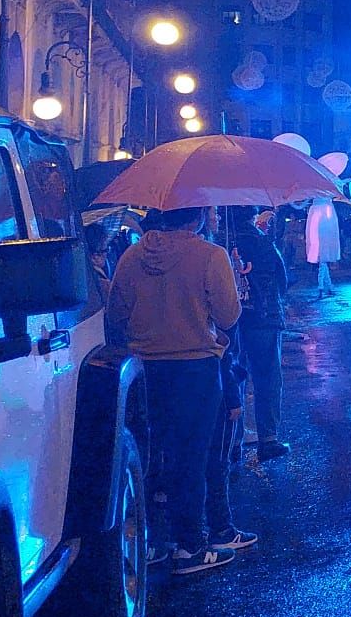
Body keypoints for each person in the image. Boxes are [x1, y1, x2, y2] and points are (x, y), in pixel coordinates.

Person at [107, 207, 253, 576]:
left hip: (143, 370)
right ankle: (190, 546)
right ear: (198, 216)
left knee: (151, 455)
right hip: (195, 369)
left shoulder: (131, 255)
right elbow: (229, 315)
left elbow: (116, 315)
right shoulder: (209, 255)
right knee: (191, 456)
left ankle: (152, 541)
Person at [229, 209, 291, 461]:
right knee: (267, 379)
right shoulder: (264, 243)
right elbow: (282, 281)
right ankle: (268, 438)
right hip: (265, 318)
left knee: (234, 379)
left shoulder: (219, 245)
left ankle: (234, 442)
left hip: (231, 322)